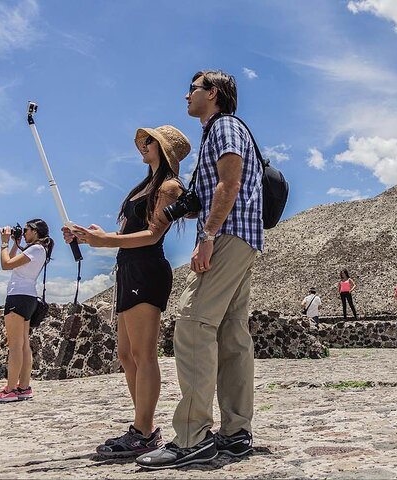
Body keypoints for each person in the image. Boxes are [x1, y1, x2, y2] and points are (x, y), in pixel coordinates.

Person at [136, 70, 263, 469]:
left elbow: (230, 183)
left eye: (191, 89)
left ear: (212, 92)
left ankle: (192, 438)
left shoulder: (223, 126)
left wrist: (206, 233)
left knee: (192, 325)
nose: (185, 96)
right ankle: (235, 432)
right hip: (244, 237)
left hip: (225, 235)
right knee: (231, 335)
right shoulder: (224, 131)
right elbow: (215, 189)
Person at [65, 126, 189, 455]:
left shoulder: (169, 186)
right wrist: (91, 235)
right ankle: (142, 426)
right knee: (126, 354)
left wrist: (105, 241)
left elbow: (151, 235)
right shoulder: (145, 185)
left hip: (146, 269)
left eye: (149, 141)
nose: (142, 145)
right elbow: (128, 233)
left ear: (162, 148)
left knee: (143, 354)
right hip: (129, 270)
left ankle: (143, 431)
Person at [0, 219, 52, 402]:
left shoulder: (36, 249)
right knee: (23, 344)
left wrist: (4, 243)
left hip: (18, 296)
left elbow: (5, 264)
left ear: (35, 232)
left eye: (27, 229)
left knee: (15, 345)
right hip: (28, 298)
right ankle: (23, 387)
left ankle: (10, 390)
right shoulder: (37, 250)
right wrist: (15, 244)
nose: (25, 232)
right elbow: (12, 262)